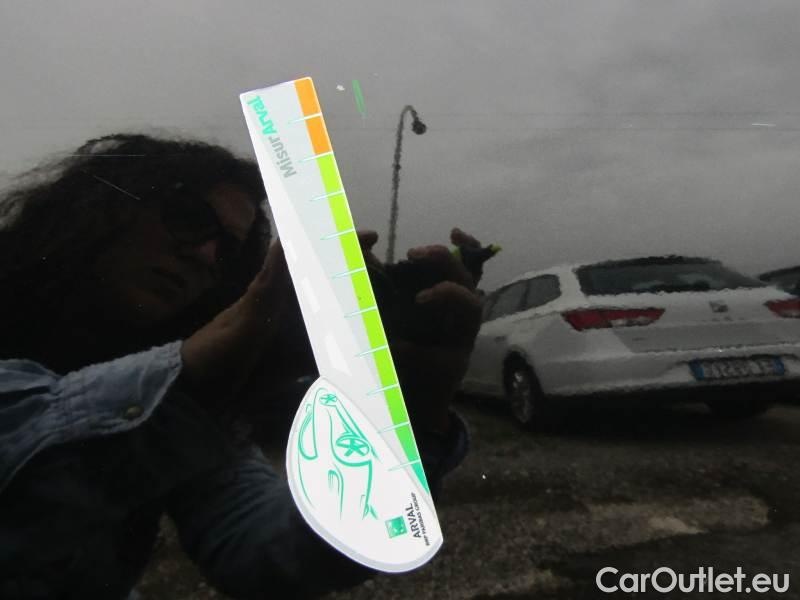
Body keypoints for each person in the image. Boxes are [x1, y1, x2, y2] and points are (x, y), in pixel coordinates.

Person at [0, 133, 483, 599]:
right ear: (104, 204)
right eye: (188, 217)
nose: (205, 255)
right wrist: (207, 366)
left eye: (228, 252)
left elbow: (267, 553)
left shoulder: (191, 405)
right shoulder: (183, 393)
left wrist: (409, 416)